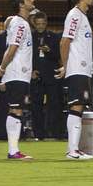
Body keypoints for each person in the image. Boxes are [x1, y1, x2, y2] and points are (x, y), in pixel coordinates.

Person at [0, 0, 35, 160]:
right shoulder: (19, 24)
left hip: (19, 74)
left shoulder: (20, 23)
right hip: (16, 74)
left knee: (17, 109)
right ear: (21, 4)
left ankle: (14, 150)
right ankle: (13, 151)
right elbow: (12, 48)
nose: (32, 0)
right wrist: (2, 68)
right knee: (15, 109)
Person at [57, 0, 93, 160]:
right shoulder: (74, 15)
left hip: (83, 69)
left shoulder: (82, 16)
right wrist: (66, 66)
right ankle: (72, 150)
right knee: (76, 106)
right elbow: (64, 42)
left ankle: (75, 149)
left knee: (79, 107)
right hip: (77, 68)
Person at [30, 11, 62, 139]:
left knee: (54, 105)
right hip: (35, 76)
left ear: (46, 23)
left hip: (51, 76)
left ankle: (54, 133)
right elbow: (27, 56)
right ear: (34, 24)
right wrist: (30, 70)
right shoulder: (30, 37)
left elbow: (59, 56)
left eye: (43, 23)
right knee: (36, 106)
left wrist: (49, 51)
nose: (41, 26)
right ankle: (39, 134)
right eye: (38, 24)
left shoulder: (54, 37)